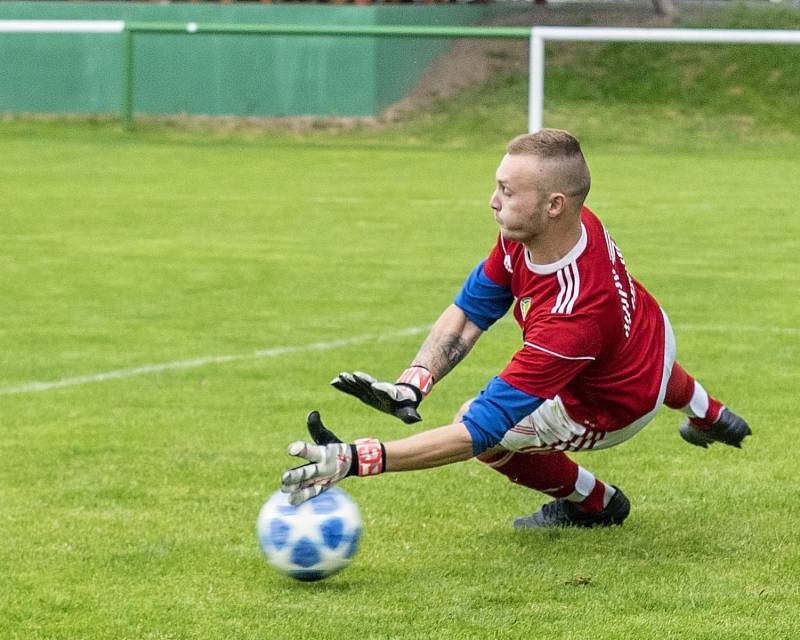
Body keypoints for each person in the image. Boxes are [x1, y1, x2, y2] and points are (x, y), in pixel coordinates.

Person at [280, 129, 751, 528]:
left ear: (554, 205)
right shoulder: (552, 229)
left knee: (483, 423)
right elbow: (471, 311)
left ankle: (595, 502)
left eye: (507, 191)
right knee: (618, 358)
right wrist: (412, 384)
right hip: (650, 333)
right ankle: (709, 412)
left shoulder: (571, 321)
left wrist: (359, 458)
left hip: (615, 407)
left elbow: (478, 431)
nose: (492, 201)